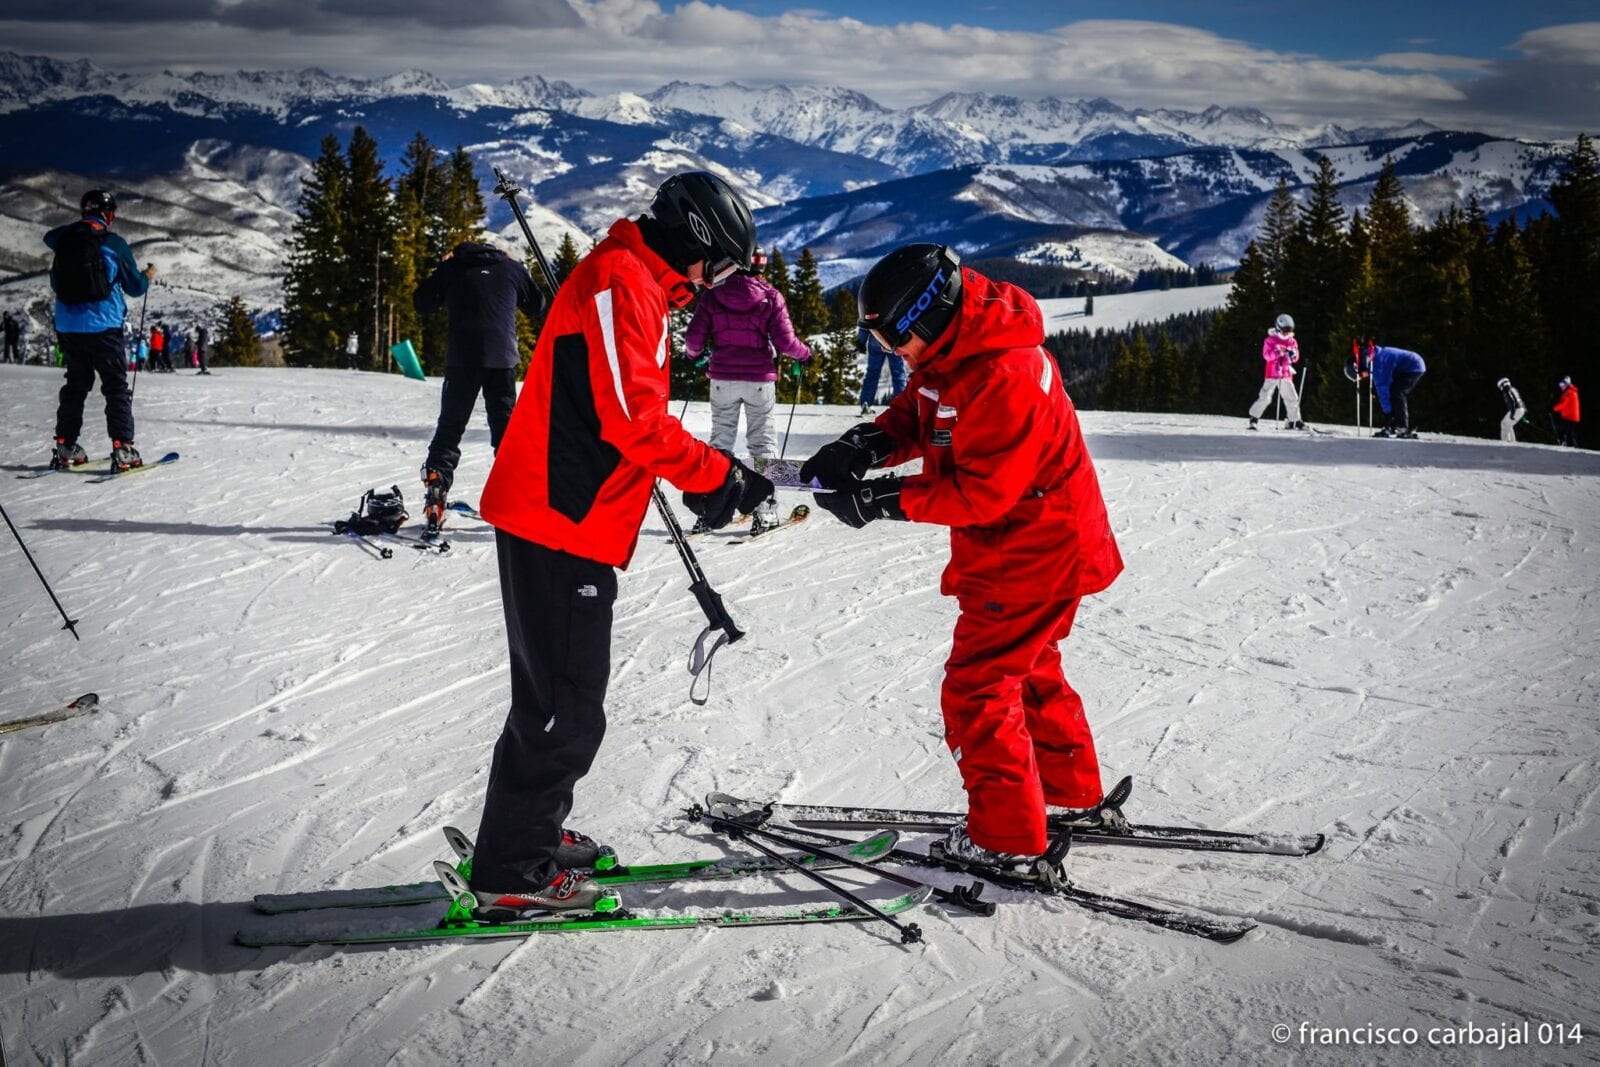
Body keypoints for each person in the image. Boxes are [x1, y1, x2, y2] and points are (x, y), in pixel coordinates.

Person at [469, 171, 771, 919]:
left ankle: (525, 836)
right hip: (556, 520)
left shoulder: (634, 281)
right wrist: (716, 477)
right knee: (566, 705)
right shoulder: (620, 282)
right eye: (724, 264)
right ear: (697, 241)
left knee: (553, 696)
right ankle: (514, 870)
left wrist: (709, 479)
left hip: (566, 516)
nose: (720, 282)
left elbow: (622, 415)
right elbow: (632, 419)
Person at [800, 244, 1124, 879]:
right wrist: (866, 443)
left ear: (929, 315)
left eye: (894, 336)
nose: (890, 349)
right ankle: (1069, 794)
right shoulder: (961, 350)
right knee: (1029, 669)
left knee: (978, 687)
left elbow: (981, 492)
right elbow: (924, 409)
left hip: (1032, 553)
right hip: (1031, 550)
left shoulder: (1002, 374)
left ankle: (1007, 837)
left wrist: (880, 500)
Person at [414, 239, 547, 532]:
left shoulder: (452, 267)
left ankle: (437, 487)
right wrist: (517, 270)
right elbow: (538, 306)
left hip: (462, 360)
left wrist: (442, 268)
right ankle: (516, 501)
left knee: (450, 428)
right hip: (502, 361)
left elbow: (422, 304)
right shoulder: (510, 267)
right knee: (506, 432)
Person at [682, 246, 811, 533]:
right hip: (759, 380)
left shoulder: (713, 294)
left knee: (720, 444)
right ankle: (764, 511)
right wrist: (805, 354)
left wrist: (694, 357)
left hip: (722, 378)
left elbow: (693, 340)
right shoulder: (770, 297)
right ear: (760, 267)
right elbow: (787, 343)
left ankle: (709, 511)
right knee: (762, 443)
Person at [45, 190, 155, 471]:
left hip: (68, 326)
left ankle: (66, 446)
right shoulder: (112, 244)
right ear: (109, 214)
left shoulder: (64, 243)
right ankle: (123, 448)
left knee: (76, 384)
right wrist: (147, 276)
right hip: (104, 327)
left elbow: (57, 284)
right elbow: (135, 286)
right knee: (115, 385)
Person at [1358, 339, 1426, 438]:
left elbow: (1383, 391)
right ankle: (1394, 425)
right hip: (1403, 368)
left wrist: (1388, 415)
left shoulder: (1379, 364)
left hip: (1414, 367)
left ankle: (1403, 427)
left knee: (1397, 393)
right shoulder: (1376, 356)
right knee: (1394, 392)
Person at [1247, 314, 1302, 430]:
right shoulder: (1270, 340)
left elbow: (1296, 358)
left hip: (1286, 373)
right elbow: (1266, 356)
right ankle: (1254, 417)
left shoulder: (1292, 341)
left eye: (1289, 330)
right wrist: (1277, 352)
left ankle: (1294, 420)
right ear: (1278, 328)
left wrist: (1292, 354)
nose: (1287, 333)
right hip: (1272, 373)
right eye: (1284, 330)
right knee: (1266, 397)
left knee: (1291, 397)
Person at [857, 326, 907, 416]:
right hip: (894, 341)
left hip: (876, 341)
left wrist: (861, 342)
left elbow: (865, 322)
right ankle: (900, 405)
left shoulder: (873, 310)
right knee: (898, 373)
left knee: (872, 373)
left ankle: (866, 403)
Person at [1553, 376, 1580, 446]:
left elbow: (1563, 404)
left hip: (1570, 417)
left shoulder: (1568, 392)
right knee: (1568, 432)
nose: (1561, 386)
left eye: (1562, 384)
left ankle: (1565, 444)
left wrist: (1554, 408)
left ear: (1566, 384)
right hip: (1571, 416)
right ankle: (1569, 445)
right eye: (1560, 384)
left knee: (1562, 430)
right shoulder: (1571, 391)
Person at [1497, 377, 1526, 443]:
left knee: (1504, 423)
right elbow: (1520, 401)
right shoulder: (1513, 389)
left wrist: (1512, 413)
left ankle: (1505, 442)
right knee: (1508, 424)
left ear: (1503, 385)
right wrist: (1523, 416)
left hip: (1515, 409)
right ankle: (1512, 442)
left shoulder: (1507, 390)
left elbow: (1512, 401)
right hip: (1520, 409)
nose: (1500, 388)